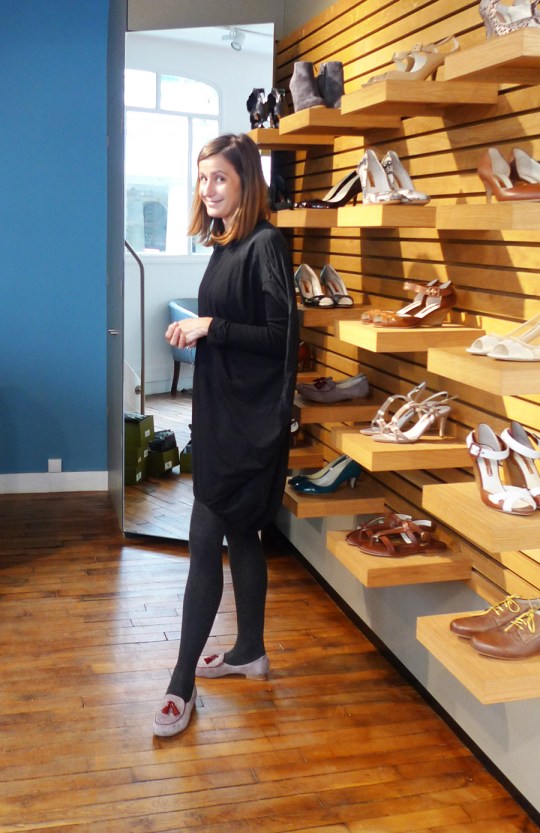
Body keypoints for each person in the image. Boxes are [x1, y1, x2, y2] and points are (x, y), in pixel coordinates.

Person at [153, 133, 299, 737]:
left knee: (204, 537)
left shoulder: (266, 243)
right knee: (241, 533)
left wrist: (211, 327)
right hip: (221, 411)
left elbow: (281, 337)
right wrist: (199, 329)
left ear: (246, 183)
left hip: (249, 421)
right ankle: (250, 652)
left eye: (220, 177)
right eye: (203, 177)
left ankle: (180, 683)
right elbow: (234, 324)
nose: (207, 189)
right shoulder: (225, 242)